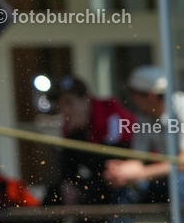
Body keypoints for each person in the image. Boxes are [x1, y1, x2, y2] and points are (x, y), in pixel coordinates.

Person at [105, 65, 184, 223]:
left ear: (150, 96)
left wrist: (139, 173)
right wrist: (122, 171)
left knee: (179, 183)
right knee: (129, 185)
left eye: (133, 95)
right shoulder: (145, 115)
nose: (132, 101)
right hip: (176, 174)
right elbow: (138, 159)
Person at [46, 75, 135, 208]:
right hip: (101, 179)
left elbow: (109, 164)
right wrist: (67, 183)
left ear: (86, 99)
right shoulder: (72, 126)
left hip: (127, 180)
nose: (65, 110)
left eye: (69, 102)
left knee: (94, 193)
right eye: (60, 105)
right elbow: (69, 167)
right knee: (54, 193)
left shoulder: (112, 116)